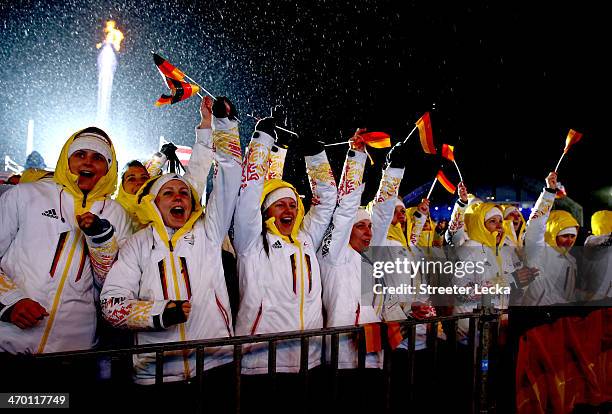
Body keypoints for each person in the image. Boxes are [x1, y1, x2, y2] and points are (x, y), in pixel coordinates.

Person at [100, 97, 241, 391]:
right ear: (153, 203)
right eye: (168, 193)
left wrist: (223, 126)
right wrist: (160, 314)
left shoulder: (209, 231)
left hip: (214, 365)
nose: (178, 196)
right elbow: (111, 305)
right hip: (155, 374)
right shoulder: (137, 243)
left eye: (183, 193)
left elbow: (223, 177)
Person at [0, 126, 130, 354]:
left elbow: (113, 284)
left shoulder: (117, 213)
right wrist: (11, 301)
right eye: (80, 155)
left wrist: (100, 241)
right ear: (66, 160)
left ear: (109, 168)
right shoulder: (25, 195)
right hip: (9, 341)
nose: (88, 162)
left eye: (98, 157)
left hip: (74, 349)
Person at [233, 115, 336, 375]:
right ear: (266, 211)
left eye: (292, 204)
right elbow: (249, 193)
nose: (288, 209)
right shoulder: (252, 242)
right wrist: (262, 142)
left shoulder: (306, 239)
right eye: (280, 204)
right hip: (262, 363)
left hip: (309, 360)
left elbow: (327, 200)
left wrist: (316, 158)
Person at [116, 97, 216, 232]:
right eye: (131, 179)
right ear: (121, 185)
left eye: (144, 178)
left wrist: (206, 123)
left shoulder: (166, 207)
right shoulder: (109, 213)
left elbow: (196, 172)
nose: (139, 183)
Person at [522, 172, 580, 305]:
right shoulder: (538, 251)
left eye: (573, 236)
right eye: (564, 236)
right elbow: (535, 226)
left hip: (559, 317)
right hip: (537, 315)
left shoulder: (571, 260)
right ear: (553, 235)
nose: (569, 240)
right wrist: (548, 193)